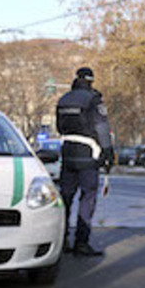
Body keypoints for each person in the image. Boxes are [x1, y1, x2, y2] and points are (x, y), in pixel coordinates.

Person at [55, 67, 115, 257]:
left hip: (67, 153)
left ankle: (61, 240)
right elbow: (102, 128)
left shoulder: (63, 99)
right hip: (88, 155)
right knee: (87, 198)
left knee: (65, 198)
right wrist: (108, 152)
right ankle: (81, 243)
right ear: (91, 81)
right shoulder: (93, 100)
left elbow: (59, 127)